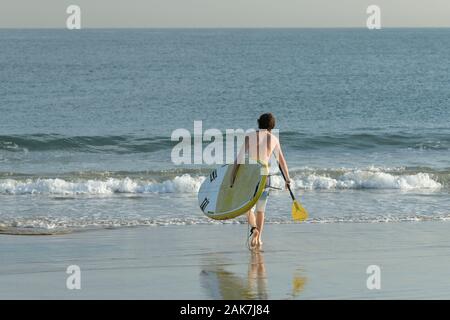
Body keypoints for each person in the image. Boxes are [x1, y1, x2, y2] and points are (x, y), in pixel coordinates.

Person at [230, 113, 291, 248]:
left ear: (258, 123)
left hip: (251, 177)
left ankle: (254, 229)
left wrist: (232, 176)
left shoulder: (250, 137)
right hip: (265, 176)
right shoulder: (273, 139)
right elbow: (281, 161)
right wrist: (287, 179)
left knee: (247, 208)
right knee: (261, 210)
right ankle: (259, 239)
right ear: (272, 126)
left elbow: (239, 159)